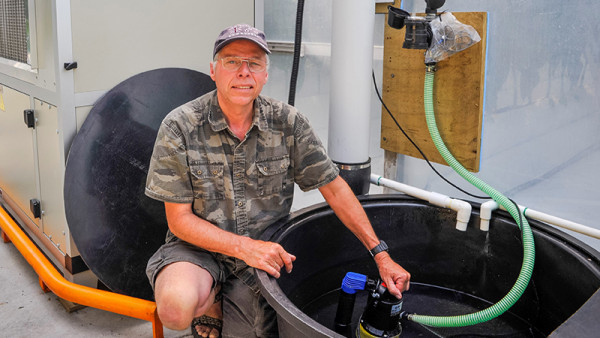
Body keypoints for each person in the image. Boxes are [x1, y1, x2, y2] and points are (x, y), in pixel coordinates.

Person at [145, 24, 411, 338]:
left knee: (264, 331)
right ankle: (211, 298)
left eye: (254, 63)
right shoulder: (180, 125)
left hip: (264, 249)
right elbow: (179, 221)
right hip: (198, 249)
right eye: (232, 61)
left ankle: (230, 299)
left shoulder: (289, 123)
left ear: (265, 74)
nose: (244, 72)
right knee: (175, 310)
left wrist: (380, 254)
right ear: (214, 70)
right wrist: (245, 248)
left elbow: (335, 188)